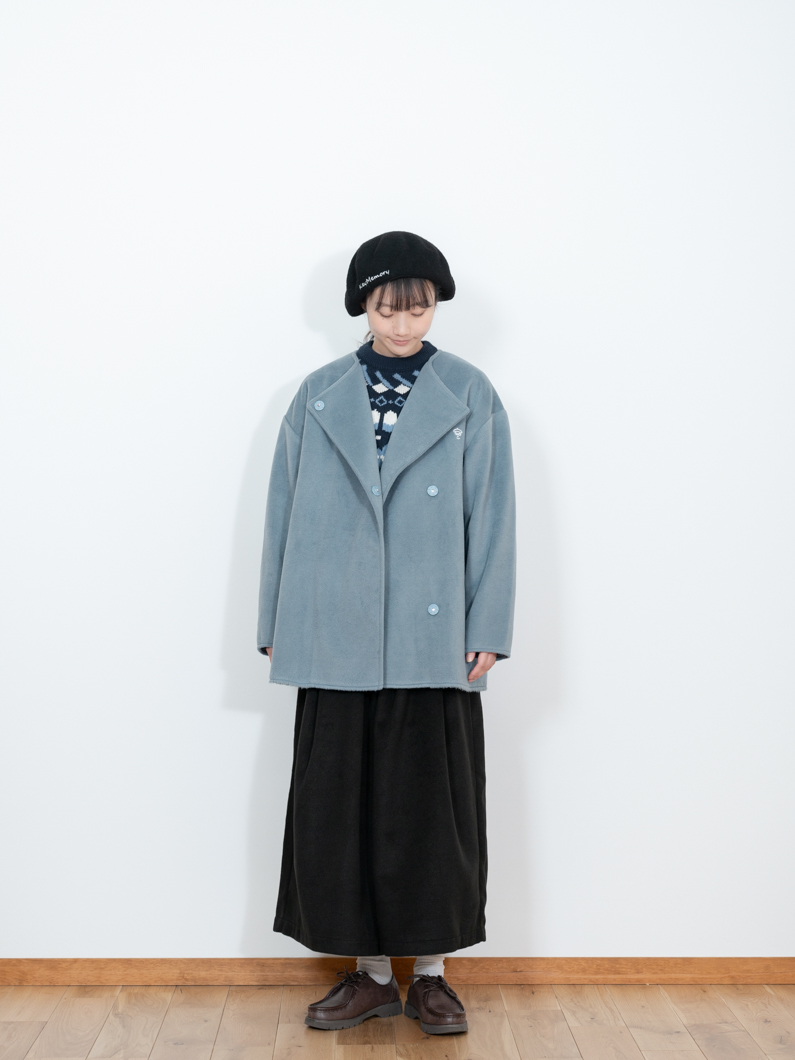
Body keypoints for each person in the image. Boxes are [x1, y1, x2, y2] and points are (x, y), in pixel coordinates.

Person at [257, 230, 516, 1035]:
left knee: (431, 814)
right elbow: (281, 511)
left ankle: (430, 976)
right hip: (333, 629)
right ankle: (369, 976)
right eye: (386, 309)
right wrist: (275, 619)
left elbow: (493, 516)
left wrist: (488, 624)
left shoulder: (469, 393)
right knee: (342, 812)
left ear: (435, 307)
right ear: (361, 307)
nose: (403, 325)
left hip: (431, 640)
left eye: (418, 308)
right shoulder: (318, 395)